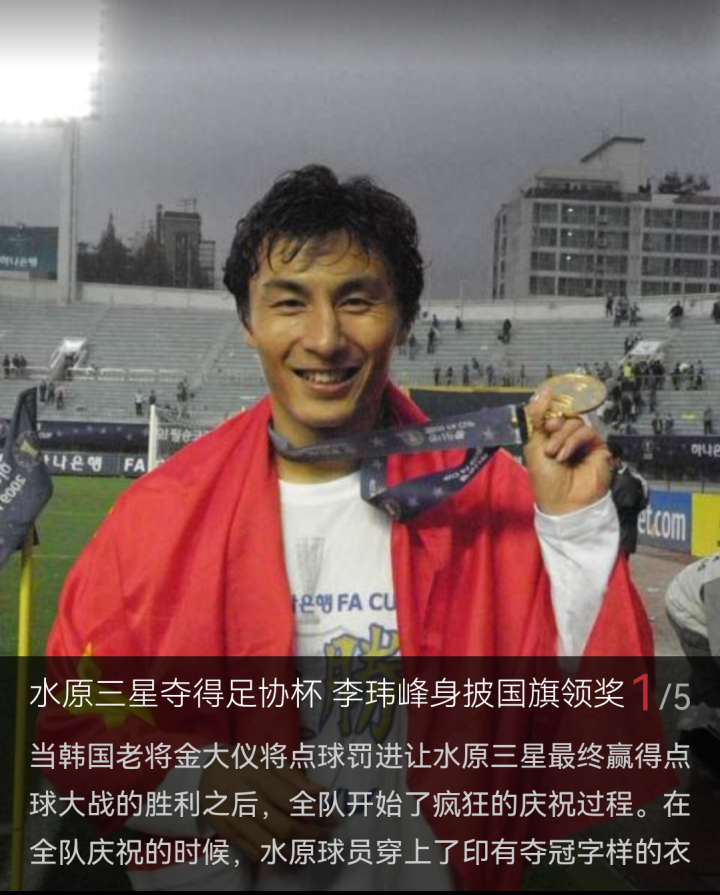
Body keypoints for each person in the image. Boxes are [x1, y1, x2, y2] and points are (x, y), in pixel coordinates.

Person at [42, 165, 663, 891]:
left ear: (404, 318)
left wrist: (575, 529)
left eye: (357, 300)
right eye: (289, 302)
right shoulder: (157, 514)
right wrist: (199, 780)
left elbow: (594, 723)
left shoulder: (494, 503)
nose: (324, 337)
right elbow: (76, 717)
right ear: (248, 322)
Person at [665, 552, 720, 778]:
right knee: (712, 687)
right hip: (688, 614)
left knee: (703, 684)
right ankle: (706, 758)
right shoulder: (716, 587)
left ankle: (690, 734)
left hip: (701, 600)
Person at [607, 442, 648, 557]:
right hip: (611, 539)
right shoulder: (611, 477)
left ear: (617, 460)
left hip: (621, 539)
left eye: (608, 460)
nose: (605, 464)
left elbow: (640, 503)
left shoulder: (631, 481)